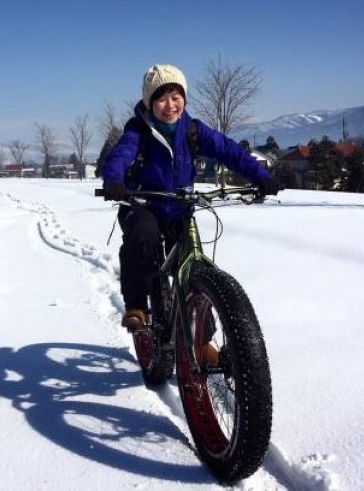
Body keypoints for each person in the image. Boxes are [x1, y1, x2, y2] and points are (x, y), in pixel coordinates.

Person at [101, 63, 279, 333]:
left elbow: (228, 150)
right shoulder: (139, 131)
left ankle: (202, 340)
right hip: (141, 203)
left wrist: (260, 176)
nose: (170, 105)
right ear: (149, 103)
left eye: (176, 97)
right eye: (161, 98)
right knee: (143, 239)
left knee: (194, 269)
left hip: (178, 207)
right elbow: (121, 154)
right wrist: (113, 180)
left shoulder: (193, 130)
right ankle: (137, 304)